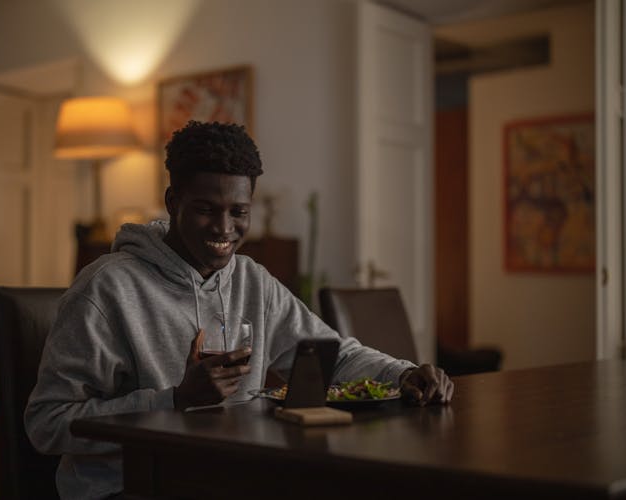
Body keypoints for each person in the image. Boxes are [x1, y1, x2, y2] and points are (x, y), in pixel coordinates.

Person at [25, 121, 453, 499]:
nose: (225, 229)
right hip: (128, 486)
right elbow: (48, 423)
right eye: (206, 210)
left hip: (229, 478)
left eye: (239, 212)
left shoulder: (253, 281)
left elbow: (333, 355)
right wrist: (173, 400)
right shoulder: (106, 289)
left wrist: (402, 372)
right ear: (173, 201)